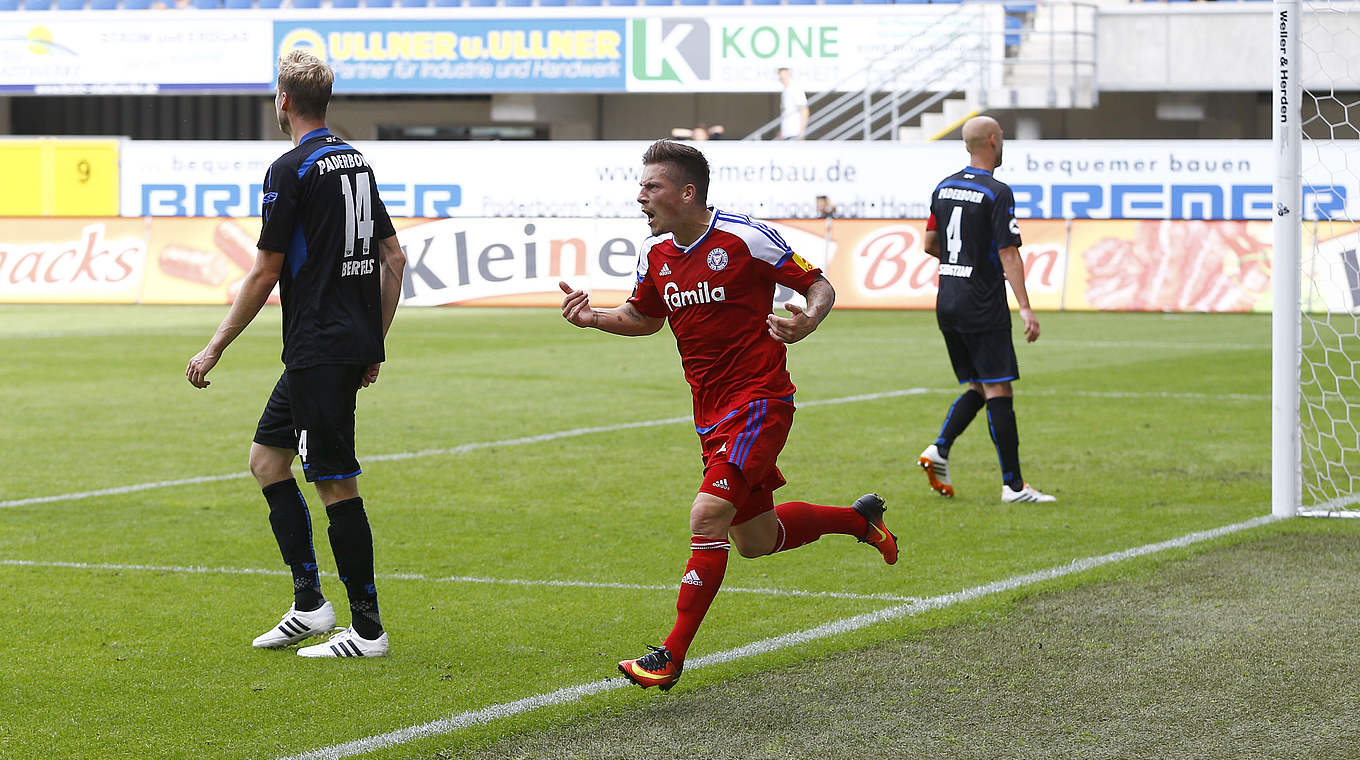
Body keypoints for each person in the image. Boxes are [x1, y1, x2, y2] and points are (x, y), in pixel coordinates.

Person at [559, 139, 897, 692]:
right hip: (711, 413)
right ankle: (858, 520)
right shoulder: (655, 254)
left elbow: (818, 284)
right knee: (756, 540)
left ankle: (669, 656)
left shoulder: (745, 238)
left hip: (760, 401)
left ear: (686, 192)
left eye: (651, 186)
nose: (639, 196)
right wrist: (592, 317)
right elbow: (644, 317)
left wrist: (807, 320)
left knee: (706, 518)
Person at [185, 49, 407, 657]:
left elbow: (263, 273)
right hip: (339, 343)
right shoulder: (356, 163)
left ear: (283, 101)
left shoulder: (291, 169)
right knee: (267, 461)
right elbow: (395, 259)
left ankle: (367, 630)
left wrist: (213, 348)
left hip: (318, 345)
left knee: (335, 482)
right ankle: (310, 606)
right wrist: (373, 340)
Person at [917, 115, 1054, 504]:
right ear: (993, 140)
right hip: (982, 302)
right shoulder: (997, 192)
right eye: (1003, 137)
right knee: (998, 386)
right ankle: (1014, 486)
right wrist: (1025, 307)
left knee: (979, 385)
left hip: (949, 300)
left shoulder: (943, 187)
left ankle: (939, 449)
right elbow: (1008, 253)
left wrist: (962, 262)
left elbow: (929, 243)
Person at [777, 68, 809, 140]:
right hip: (787, 132)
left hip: (795, 132)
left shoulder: (795, 89)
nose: (782, 78)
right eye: (781, 76)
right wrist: (782, 130)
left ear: (789, 75)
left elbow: (804, 110)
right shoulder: (786, 90)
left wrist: (802, 131)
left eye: (784, 76)